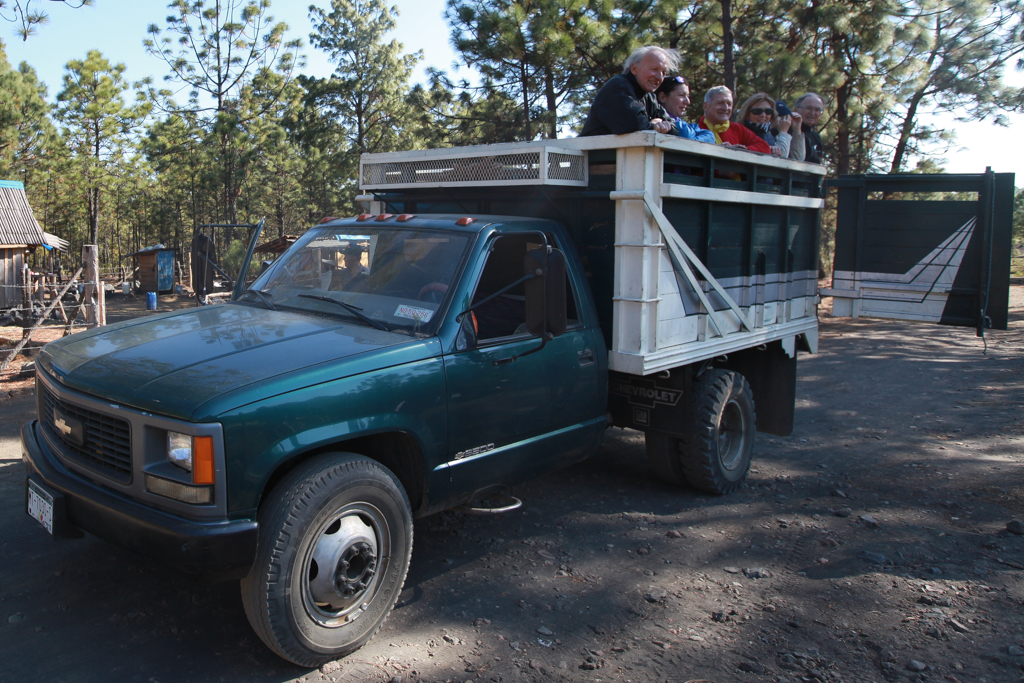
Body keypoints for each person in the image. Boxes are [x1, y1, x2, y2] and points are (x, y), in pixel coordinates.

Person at [580, 46, 677, 137]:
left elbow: (674, 129)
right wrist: (654, 125)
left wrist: (659, 126)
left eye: (663, 72)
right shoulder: (618, 87)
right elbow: (635, 125)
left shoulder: (649, 96)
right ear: (634, 69)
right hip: (593, 153)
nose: (659, 77)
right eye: (654, 69)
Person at [697, 86, 771, 153]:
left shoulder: (738, 129)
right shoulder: (696, 130)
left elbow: (765, 147)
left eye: (729, 104)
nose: (726, 108)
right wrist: (717, 150)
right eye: (720, 103)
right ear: (705, 106)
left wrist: (744, 150)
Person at [735, 92, 803, 159]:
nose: (763, 115)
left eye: (768, 111)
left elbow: (798, 158)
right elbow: (782, 158)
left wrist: (797, 130)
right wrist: (783, 132)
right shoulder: (738, 132)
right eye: (757, 111)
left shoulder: (769, 133)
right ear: (747, 114)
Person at [654, 76, 715, 143]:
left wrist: (693, 140)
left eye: (688, 96)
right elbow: (686, 135)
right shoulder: (659, 123)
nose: (687, 101)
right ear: (663, 97)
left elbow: (710, 136)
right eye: (681, 95)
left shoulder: (688, 126)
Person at [793, 92, 825, 163]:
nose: (813, 113)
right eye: (808, 108)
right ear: (796, 109)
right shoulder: (787, 131)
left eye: (817, 110)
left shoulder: (816, 137)